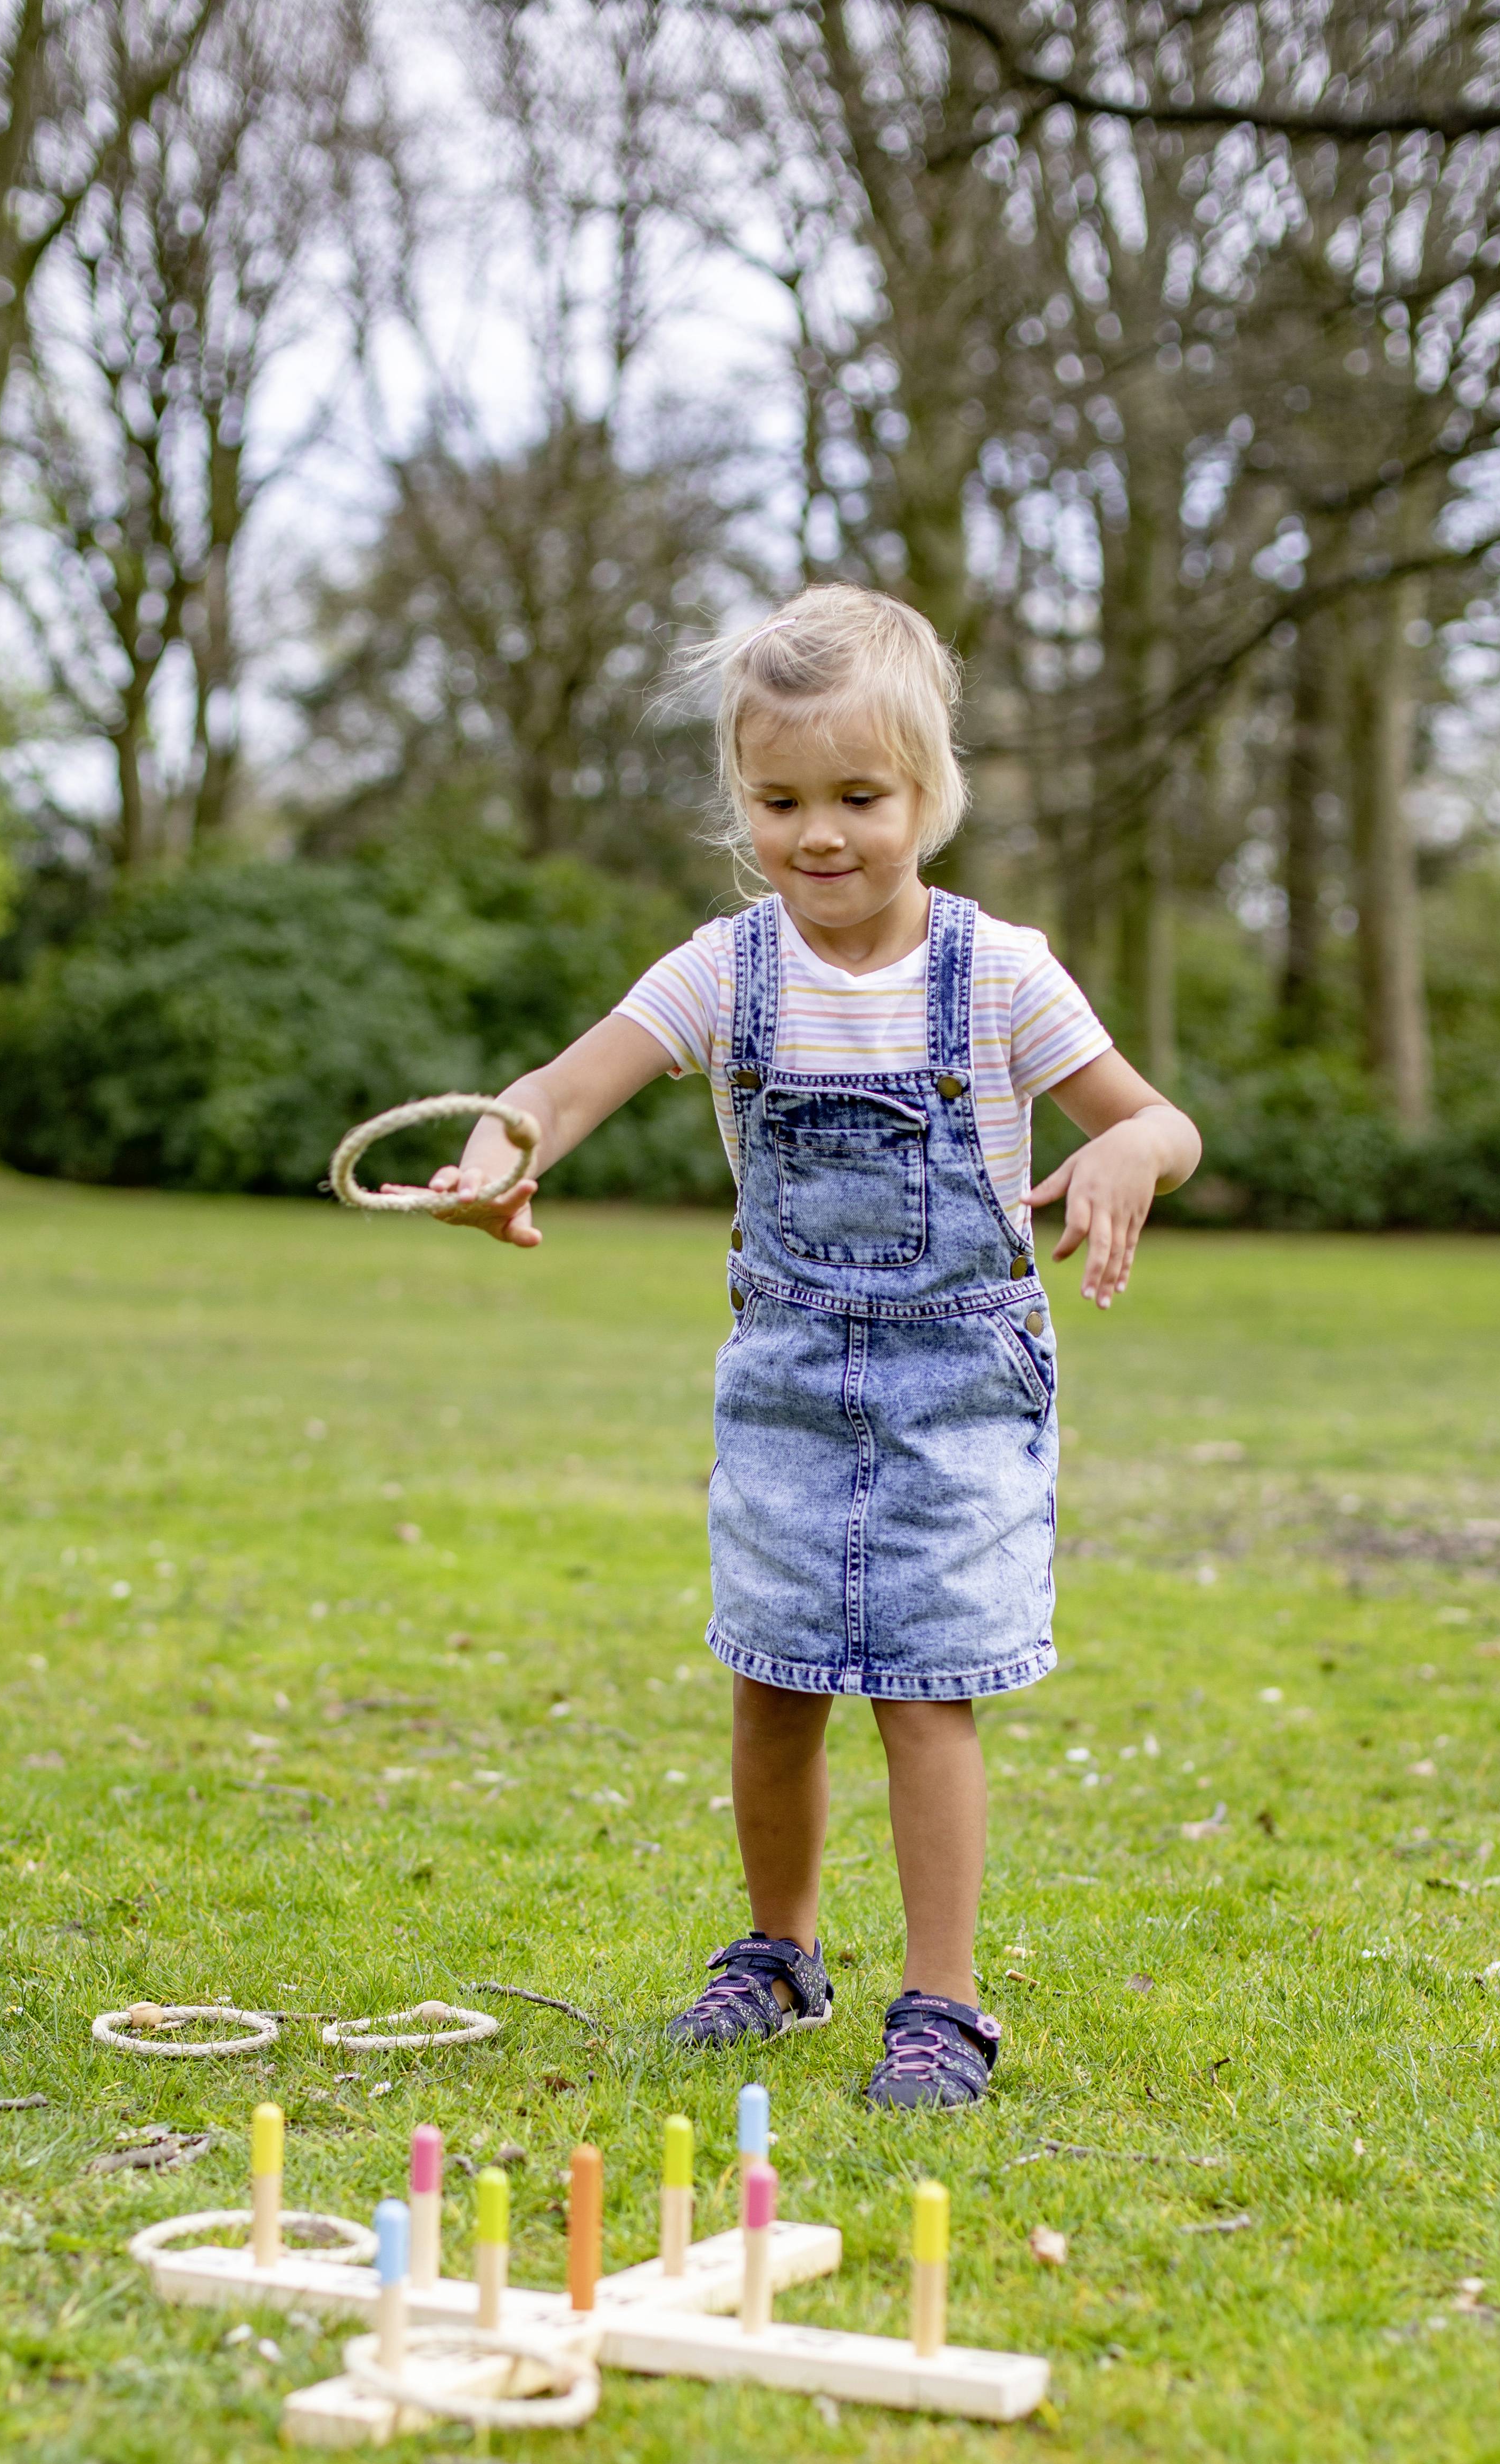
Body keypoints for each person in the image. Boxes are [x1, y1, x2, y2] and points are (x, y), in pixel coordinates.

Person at [431, 584, 1201, 2111]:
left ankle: (945, 2005)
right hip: (787, 1384)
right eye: (781, 801)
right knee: (773, 1678)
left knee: (927, 1688)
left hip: (959, 1393)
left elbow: (1158, 1118)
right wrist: (493, 1154)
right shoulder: (728, 971)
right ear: (743, 802)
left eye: (860, 796)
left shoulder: (998, 972)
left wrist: (1129, 1159)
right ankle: (779, 1957)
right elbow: (563, 1089)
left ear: (931, 794)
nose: (821, 833)